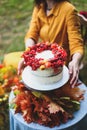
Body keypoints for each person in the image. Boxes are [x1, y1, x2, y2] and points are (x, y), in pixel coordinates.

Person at [18, 0, 84, 88]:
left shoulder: (68, 10)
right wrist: (29, 54)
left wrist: (75, 61)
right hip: (41, 62)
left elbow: (76, 44)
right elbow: (31, 35)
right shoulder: (39, 7)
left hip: (61, 67)